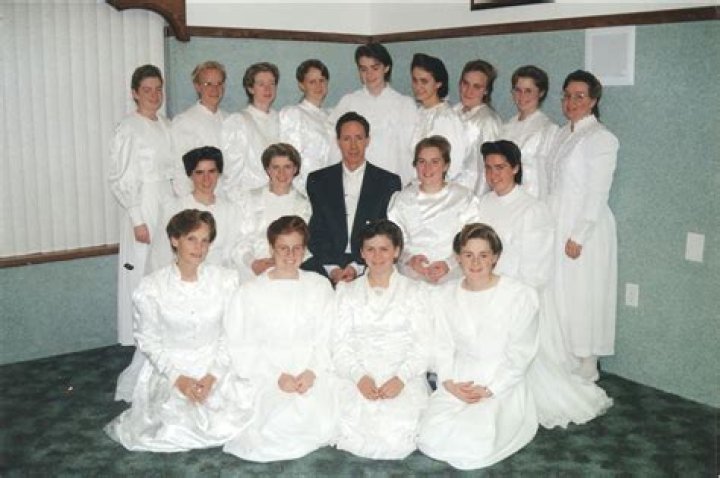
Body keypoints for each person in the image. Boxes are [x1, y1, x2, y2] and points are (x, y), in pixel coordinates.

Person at [477, 140, 612, 427]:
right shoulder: (484, 203)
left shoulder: (531, 209)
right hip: (485, 289)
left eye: (500, 167)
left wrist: (502, 295)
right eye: (488, 168)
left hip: (516, 296)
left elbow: (536, 271)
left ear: (515, 168)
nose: (493, 175)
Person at [105, 209, 251, 452]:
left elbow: (231, 333)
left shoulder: (226, 281)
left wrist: (212, 376)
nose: (199, 247)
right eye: (191, 239)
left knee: (238, 414)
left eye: (205, 240)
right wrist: (178, 379)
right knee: (173, 424)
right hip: (172, 367)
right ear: (175, 240)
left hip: (216, 363)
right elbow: (149, 341)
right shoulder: (152, 287)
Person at [417, 223, 539, 470]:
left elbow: (520, 354)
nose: (475, 262)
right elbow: (442, 344)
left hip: (500, 381)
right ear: (458, 257)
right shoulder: (444, 295)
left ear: (495, 257)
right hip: (459, 378)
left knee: (474, 444)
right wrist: (449, 382)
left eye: (483, 255)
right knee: (429, 437)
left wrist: (491, 389)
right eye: (468, 255)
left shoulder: (519, 295)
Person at [223, 216, 338, 462]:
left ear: (304, 249)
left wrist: (312, 371)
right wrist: (276, 376)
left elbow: (328, 336)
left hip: (311, 368)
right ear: (271, 249)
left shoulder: (319, 286)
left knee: (324, 417)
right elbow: (241, 345)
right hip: (266, 372)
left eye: (297, 248)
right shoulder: (250, 291)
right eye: (283, 248)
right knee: (273, 427)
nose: (290, 255)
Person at [332, 220, 433, 459]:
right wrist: (359, 377)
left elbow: (424, 345)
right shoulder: (346, 292)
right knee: (351, 425)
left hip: (401, 374)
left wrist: (401, 378)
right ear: (361, 252)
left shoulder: (416, 291)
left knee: (398, 432)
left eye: (384, 249)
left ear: (396, 251)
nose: (377, 256)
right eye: (370, 249)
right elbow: (339, 344)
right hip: (359, 373)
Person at [546, 70, 619, 381]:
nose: (571, 102)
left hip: (584, 225)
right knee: (560, 290)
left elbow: (597, 191)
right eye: (567, 96)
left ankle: (587, 361)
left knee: (583, 290)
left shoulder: (601, 138)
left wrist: (579, 234)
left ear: (593, 100)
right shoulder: (563, 133)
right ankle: (564, 355)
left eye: (579, 96)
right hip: (558, 219)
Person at [108, 64, 178, 346]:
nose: (154, 95)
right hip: (143, 201)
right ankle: (140, 338)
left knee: (166, 264)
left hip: (166, 197)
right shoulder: (129, 128)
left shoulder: (166, 124)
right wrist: (137, 219)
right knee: (141, 268)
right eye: (147, 90)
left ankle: (164, 334)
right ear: (135, 93)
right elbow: (121, 177)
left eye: (158, 89)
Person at [303, 112, 401, 284]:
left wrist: (357, 267)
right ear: (338, 141)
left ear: (367, 140)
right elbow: (316, 230)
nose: (353, 146)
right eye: (347, 139)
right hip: (326, 263)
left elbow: (388, 233)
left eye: (359, 138)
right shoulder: (318, 180)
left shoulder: (388, 182)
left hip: (370, 263)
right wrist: (333, 269)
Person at [388, 136, 481, 284]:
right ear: (415, 165)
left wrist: (449, 264)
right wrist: (409, 259)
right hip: (411, 275)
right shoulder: (402, 200)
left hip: (452, 275)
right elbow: (394, 240)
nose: (427, 168)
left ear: (446, 165)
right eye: (422, 162)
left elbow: (472, 239)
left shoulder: (463, 197)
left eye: (435, 162)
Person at [329, 43, 417, 185]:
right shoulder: (348, 102)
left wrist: (407, 183)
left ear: (386, 68)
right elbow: (335, 148)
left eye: (375, 68)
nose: (369, 75)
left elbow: (411, 150)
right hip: (353, 182)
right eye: (364, 69)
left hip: (393, 181)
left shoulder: (404, 104)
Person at [146, 146, 241, 274]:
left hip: (219, 277)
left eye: (211, 171)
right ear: (190, 175)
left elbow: (232, 254)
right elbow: (160, 255)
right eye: (199, 172)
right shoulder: (176, 208)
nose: (206, 178)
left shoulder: (231, 210)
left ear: (219, 173)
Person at [230, 143, 311, 282]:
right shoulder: (248, 200)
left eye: (287, 167)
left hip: (291, 272)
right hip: (254, 272)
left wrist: (285, 263)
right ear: (267, 169)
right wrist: (252, 263)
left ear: (295, 169)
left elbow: (307, 247)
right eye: (276, 167)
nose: (281, 173)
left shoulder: (305, 206)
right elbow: (238, 240)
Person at [222, 62, 281, 197]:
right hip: (251, 199)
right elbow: (231, 173)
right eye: (261, 84)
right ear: (250, 88)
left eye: (272, 83)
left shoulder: (280, 119)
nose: (268, 89)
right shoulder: (239, 121)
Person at [500, 65, 559, 200]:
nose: (522, 96)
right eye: (518, 90)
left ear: (541, 93)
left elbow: (553, 175)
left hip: (534, 199)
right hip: (507, 198)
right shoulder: (505, 128)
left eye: (528, 91)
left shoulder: (549, 129)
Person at [171, 61, 229, 195]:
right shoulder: (184, 121)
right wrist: (189, 201)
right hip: (200, 199)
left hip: (227, 198)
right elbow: (179, 169)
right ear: (197, 86)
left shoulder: (230, 120)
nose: (215, 89)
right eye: (208, 84)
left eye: (219, 83)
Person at [279, 59, 336, 195]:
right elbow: (290, 159)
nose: (318, 86)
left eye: (322, 80)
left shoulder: (332, 115)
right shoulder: (294, 114)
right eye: (312, 82)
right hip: (305, 190)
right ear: (301, 85)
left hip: (331, 187)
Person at [410, 53, 467, 185]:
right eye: (415, 80)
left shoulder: (447, 118)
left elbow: (455, 165)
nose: (418, 86)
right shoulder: (418, 113)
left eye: (424, 81)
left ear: (438, 83)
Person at [453, 60, 503, 194]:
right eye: (465, 83)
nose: (469, 91)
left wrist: (478, 201)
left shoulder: (488, 121)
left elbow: (489, 167)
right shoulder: (452, 113)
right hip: (448, 191)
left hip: (471, 192)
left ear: (486, 90)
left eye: (477, 86)